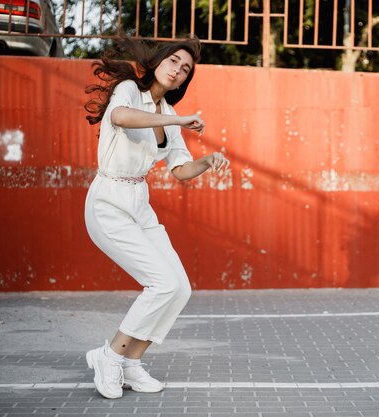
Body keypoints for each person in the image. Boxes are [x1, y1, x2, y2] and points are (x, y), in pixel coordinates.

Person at [83, 36, 229, 399]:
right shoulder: (130, 89)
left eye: (185, 70)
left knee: (179, 288)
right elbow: (120, 117)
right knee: (161, 283)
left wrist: (207, 161)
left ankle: (132, 363)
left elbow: (180, 170)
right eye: (175, 61)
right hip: (108, 201)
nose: (178, 70)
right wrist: (178, 116)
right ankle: (109, 357)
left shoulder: (168, 118)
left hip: (139, 203)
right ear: (160, 60)